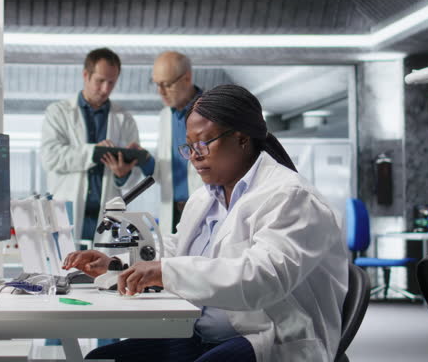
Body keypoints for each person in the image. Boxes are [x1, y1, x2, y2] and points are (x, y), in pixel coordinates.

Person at [63, 84, 349, 362]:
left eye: (203, 143)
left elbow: (262, 278)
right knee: (101, 358)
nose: (195, 156)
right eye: (188, 147)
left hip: (266, 335)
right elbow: (175, 252)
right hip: (201, 334)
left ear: (241, 138)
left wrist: (164, 271)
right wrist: (115, 264)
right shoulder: (204, 198)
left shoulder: (290, 196)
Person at [40, 48, 149, 241]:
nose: (106, 89)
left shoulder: (125, 119)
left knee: (106, 268)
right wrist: (94, 152)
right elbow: (50, 157)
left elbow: (134, 178)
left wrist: (122, 175)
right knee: (65, 267)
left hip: (107, 219)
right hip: (68, 214)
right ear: (85, 75)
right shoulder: (58, 113)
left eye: (112, 82)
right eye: (100, 81)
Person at [149, 51, 204, 233]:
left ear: (187, 78)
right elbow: (162, 173)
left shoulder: (212, 111)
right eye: (157, 84)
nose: (160, 92)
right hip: (173, 212)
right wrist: (143, 161)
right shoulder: (165, 116)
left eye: (167, 84)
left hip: (206, 207)